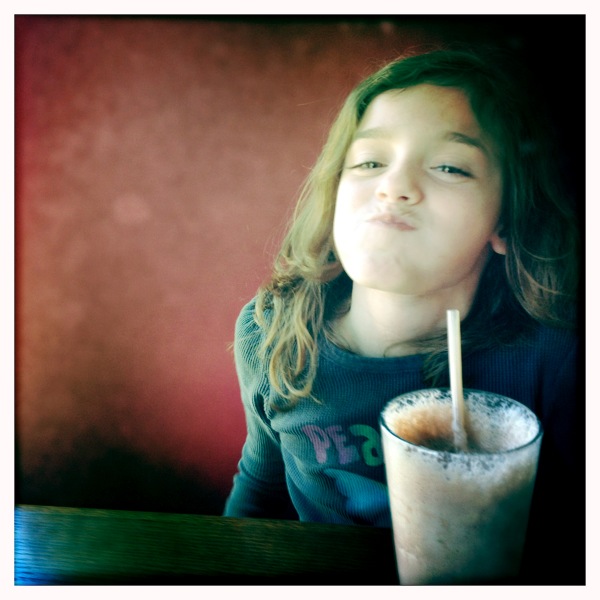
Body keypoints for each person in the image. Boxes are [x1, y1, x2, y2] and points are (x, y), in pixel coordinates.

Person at [223, 47, 583, 584]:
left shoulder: (556, 361)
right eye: (369, 162)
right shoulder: (271, 333)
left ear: (504, 222)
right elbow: (261, 489)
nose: (394, 186)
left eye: (450, 167)